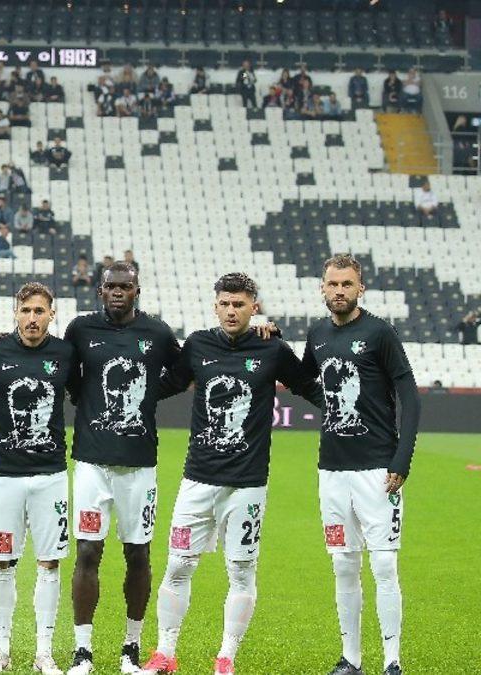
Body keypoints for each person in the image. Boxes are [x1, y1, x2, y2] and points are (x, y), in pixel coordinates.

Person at [139, 273, 322, 675]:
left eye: (239, 304)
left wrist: (356, 409)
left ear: (254, 307)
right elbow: (166, 384)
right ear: (215, 306)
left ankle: (226, 657)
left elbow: (309, 387)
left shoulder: (272, 349)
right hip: (197, 481)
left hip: (247, 485)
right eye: (225, 303)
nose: (231, 311)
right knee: (178, 565)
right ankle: (165, 653)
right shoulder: (198, 345)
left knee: (241, 571)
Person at [59, 263, 183, 674]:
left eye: (125, 287)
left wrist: (149, 394)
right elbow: (66, 373)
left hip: (138, 466)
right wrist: (86, 396)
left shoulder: (157, 333)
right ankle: (83, 650)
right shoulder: (80, 329)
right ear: (100, 291)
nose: (117, 292)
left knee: (138, 553)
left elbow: (184, 371)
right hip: (91, 463)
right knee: (87, 551)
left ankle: (131, 646)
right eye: (111, 286)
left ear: (136, 291)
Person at [299, 255, 420, 675]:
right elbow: (303, 379)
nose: (339, 291)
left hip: (377, 470)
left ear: (360, 288)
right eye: (332, 284)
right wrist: (268, 336)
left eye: (346, 284)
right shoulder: (316, 334)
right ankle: (351, 659)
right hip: (332, 471)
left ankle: (392, 661)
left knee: (384, 564)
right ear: (322, 287)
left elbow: (410, 396)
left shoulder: (380, 333)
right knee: (343, 564)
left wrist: (402, 457)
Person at [0, 283, 76, 675]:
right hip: (6, 477)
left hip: (51, 476)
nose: (32, 318)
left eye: (39, 311)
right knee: (3, 562)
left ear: (52, 313)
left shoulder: (65, 353)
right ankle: (1, 650)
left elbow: (85, 394)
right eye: (26, 311)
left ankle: (44, 652)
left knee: (49, 563)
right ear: (15, 313)